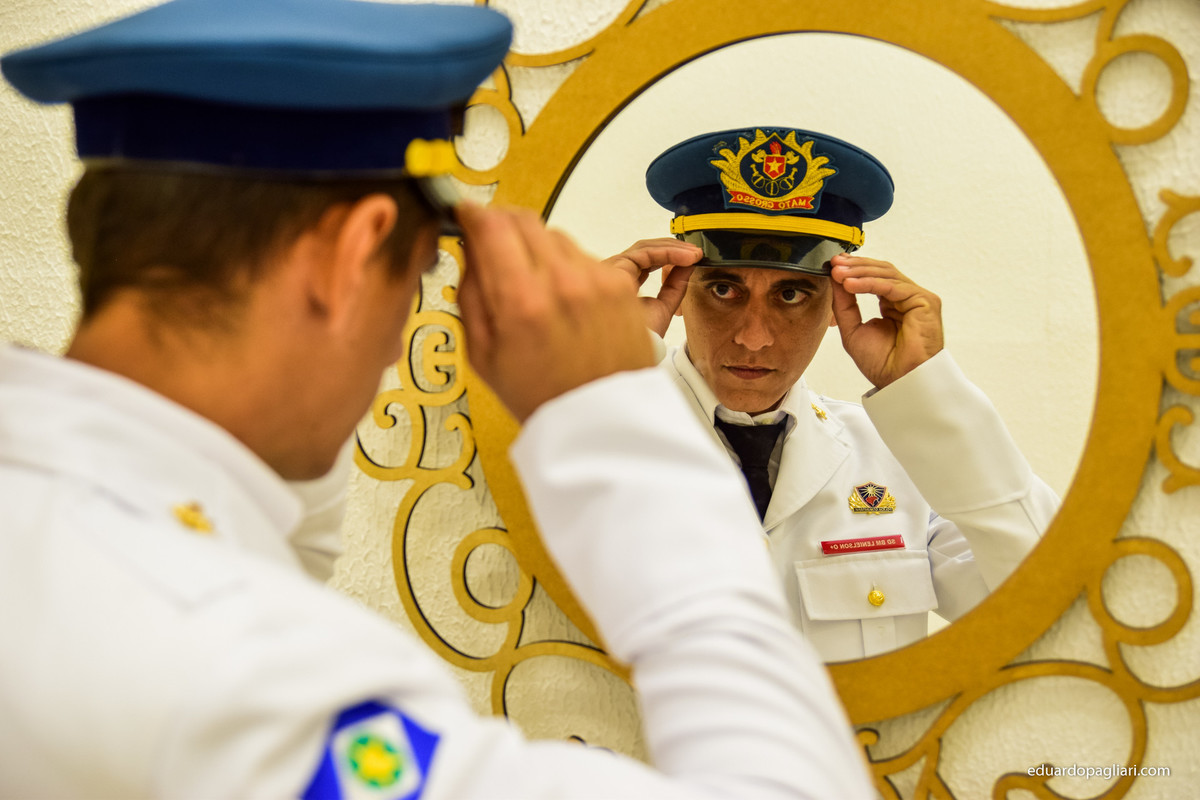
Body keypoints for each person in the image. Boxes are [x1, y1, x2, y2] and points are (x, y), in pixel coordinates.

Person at [0, 5, 876, 798]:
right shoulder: (242, 674)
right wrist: (608, 411)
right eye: (417, 275)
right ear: (351, 256)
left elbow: (252, 536)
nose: (393, 344)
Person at [609, 127, 1059, 663]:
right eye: (724, 289)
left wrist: (926, 390)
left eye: (793, 294)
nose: (754, 337)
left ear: (837, 309)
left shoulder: (904, 460)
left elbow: (1048, 600)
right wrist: (586, 365)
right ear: (676, 293)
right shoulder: (603, 430)